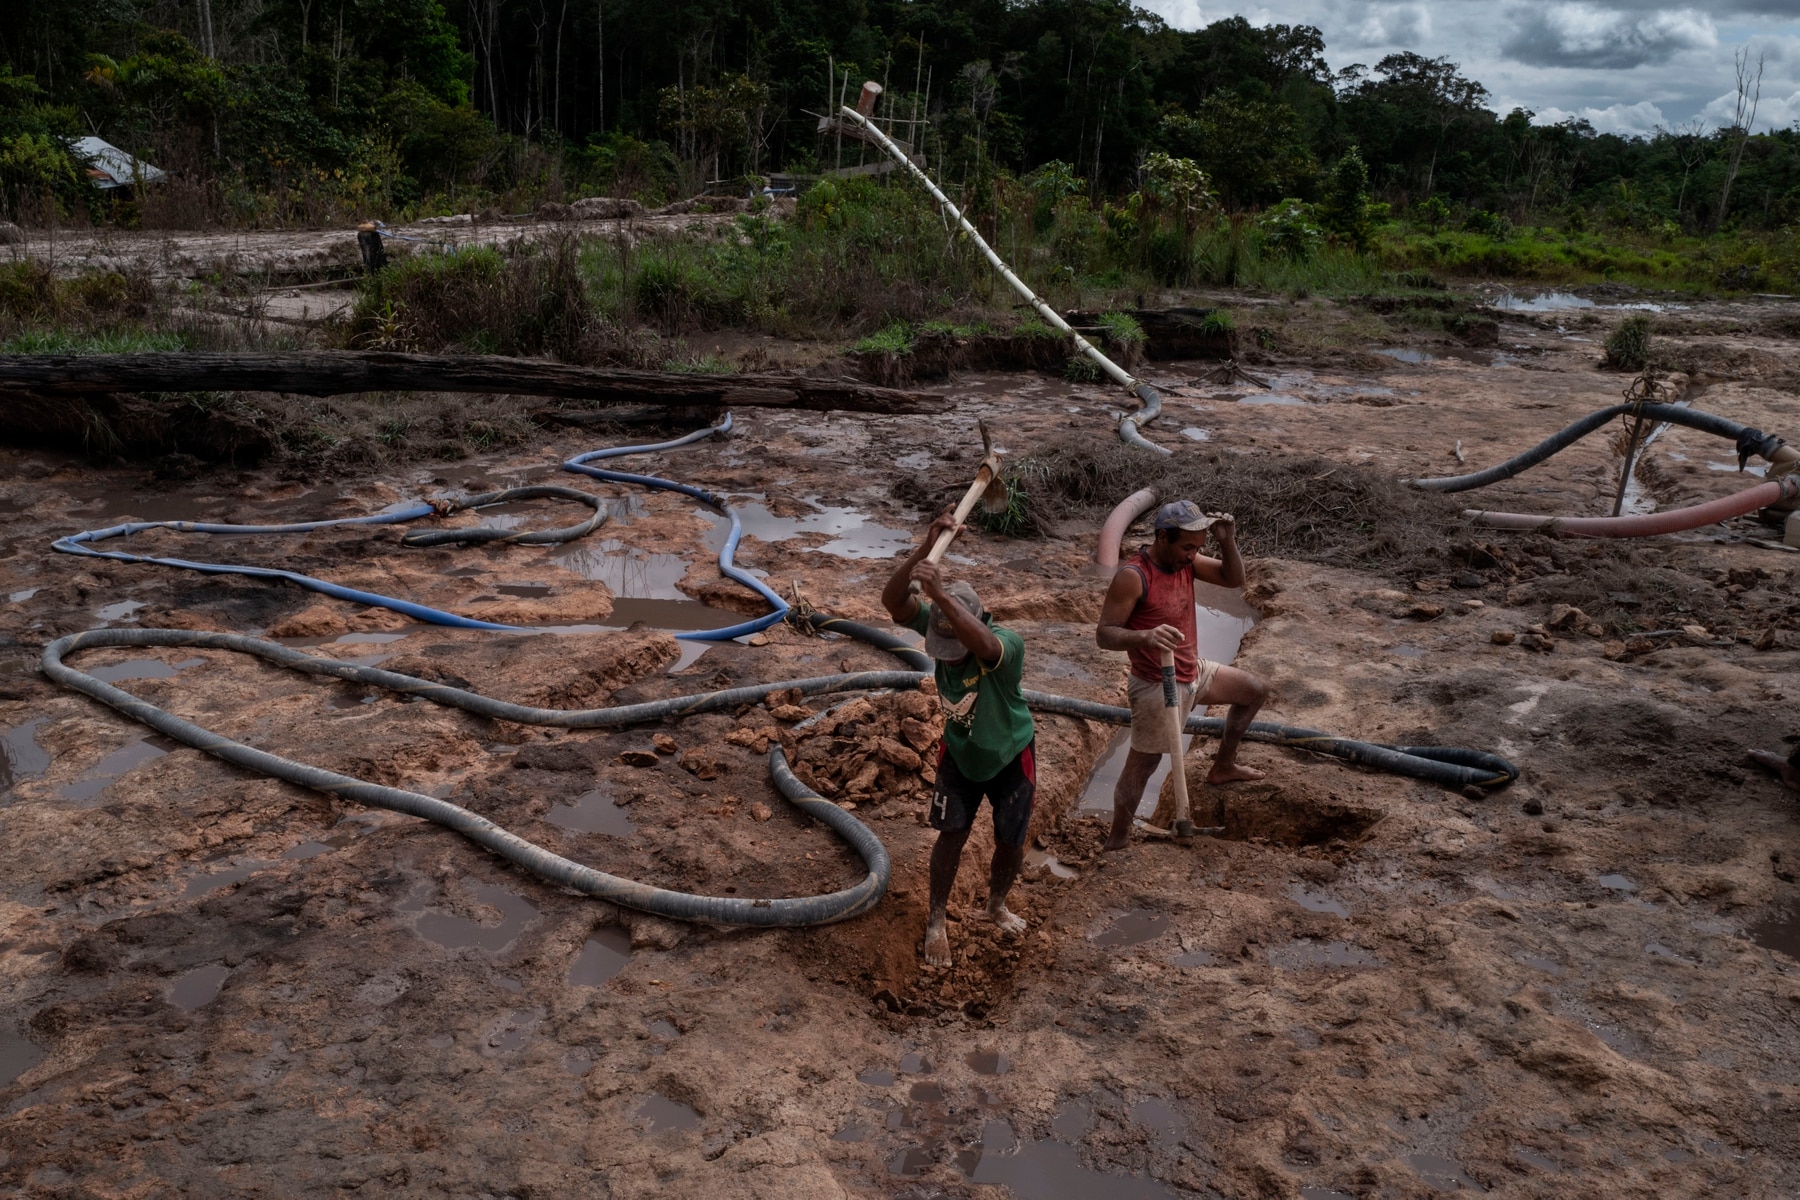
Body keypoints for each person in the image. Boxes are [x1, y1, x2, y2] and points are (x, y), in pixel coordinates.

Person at [882, 512, 1036, 967]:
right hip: (961, 754)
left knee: (1011, 838)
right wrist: (921, 553)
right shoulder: (939, 621)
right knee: (950, 836)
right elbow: (893, 602)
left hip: (1011, 754)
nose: (947, 662)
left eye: (955, 655)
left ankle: (996, 906)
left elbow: (986, 646)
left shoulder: (1005, 644)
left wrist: (942, 595)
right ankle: (935, 920)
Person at [1095, 499, 1269, 851]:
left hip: (1191, 669)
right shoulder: (1134, 576)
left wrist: (1226, 541)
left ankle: (1223, 766)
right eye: (1189, 547)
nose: (1194, 554)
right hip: (1156, 683)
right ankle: (1117, 840)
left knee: (1254, 690)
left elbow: (1234, 579)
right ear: (1163, 538)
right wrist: (1145, 636)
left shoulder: (1185, 562)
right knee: (1143, 764)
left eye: (1199, 547)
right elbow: (1104, 633)